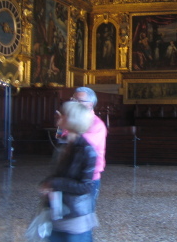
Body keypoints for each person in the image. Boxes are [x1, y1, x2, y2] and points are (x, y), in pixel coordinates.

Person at [39, 101, 97, 242]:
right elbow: (57, 173)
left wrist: (54, 183)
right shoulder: (63, 144)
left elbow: (85, 186)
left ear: (72, 119)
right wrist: (47, 184)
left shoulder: (87, 150)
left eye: (63, 115)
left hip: (75, 217)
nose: (58, 117)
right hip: (58, 211)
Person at [70, 87, 107, 211]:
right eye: (73, 100)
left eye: (79, 101)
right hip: (69, 173)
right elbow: (61, 141)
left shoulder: (96, 124)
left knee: (84, 213)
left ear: (90, 104)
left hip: (88, 176)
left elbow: (81, 144)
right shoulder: (72, 121)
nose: (74, 104)